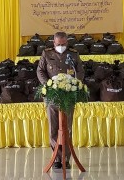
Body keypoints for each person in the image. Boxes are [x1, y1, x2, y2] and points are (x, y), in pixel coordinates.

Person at [37, 31, 84, 170]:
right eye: (58, 44)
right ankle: (57, 158)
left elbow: (80, 71)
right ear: (54, 43)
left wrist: (75, 83)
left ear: (67, 43)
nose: (61, 46)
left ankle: (66, 159)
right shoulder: (47, 53)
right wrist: (48, 85)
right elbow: (40, 71)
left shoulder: (74, 54)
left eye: (63, 44)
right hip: (52, 95)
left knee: (67, 127)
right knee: (54, 127)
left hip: (68, 95)